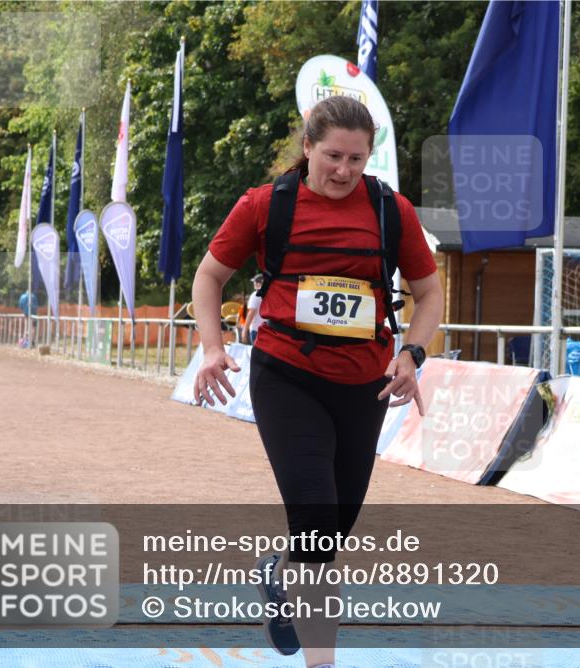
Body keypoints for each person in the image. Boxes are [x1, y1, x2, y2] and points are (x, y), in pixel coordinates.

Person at [191, 96, 443, 668]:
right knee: (315, 523)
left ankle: (279, 576)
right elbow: (209, 277)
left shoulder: (391, 210)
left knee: (333, 529)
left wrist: (412, 353)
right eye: (332, 156)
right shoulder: (265, 205)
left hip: (364, 384)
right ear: (307, 148)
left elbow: (429, 293)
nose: (344, 170)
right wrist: (212, 347)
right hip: (287, 376)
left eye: (356, 159)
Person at [242, 274, 265, 344]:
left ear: (258, 283)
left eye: (255, 282)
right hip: (267, 329)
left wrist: (244, 331)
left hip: (256, 329)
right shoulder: (270, 294)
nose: (254, 284)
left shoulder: (255, 295)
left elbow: (251, 314)